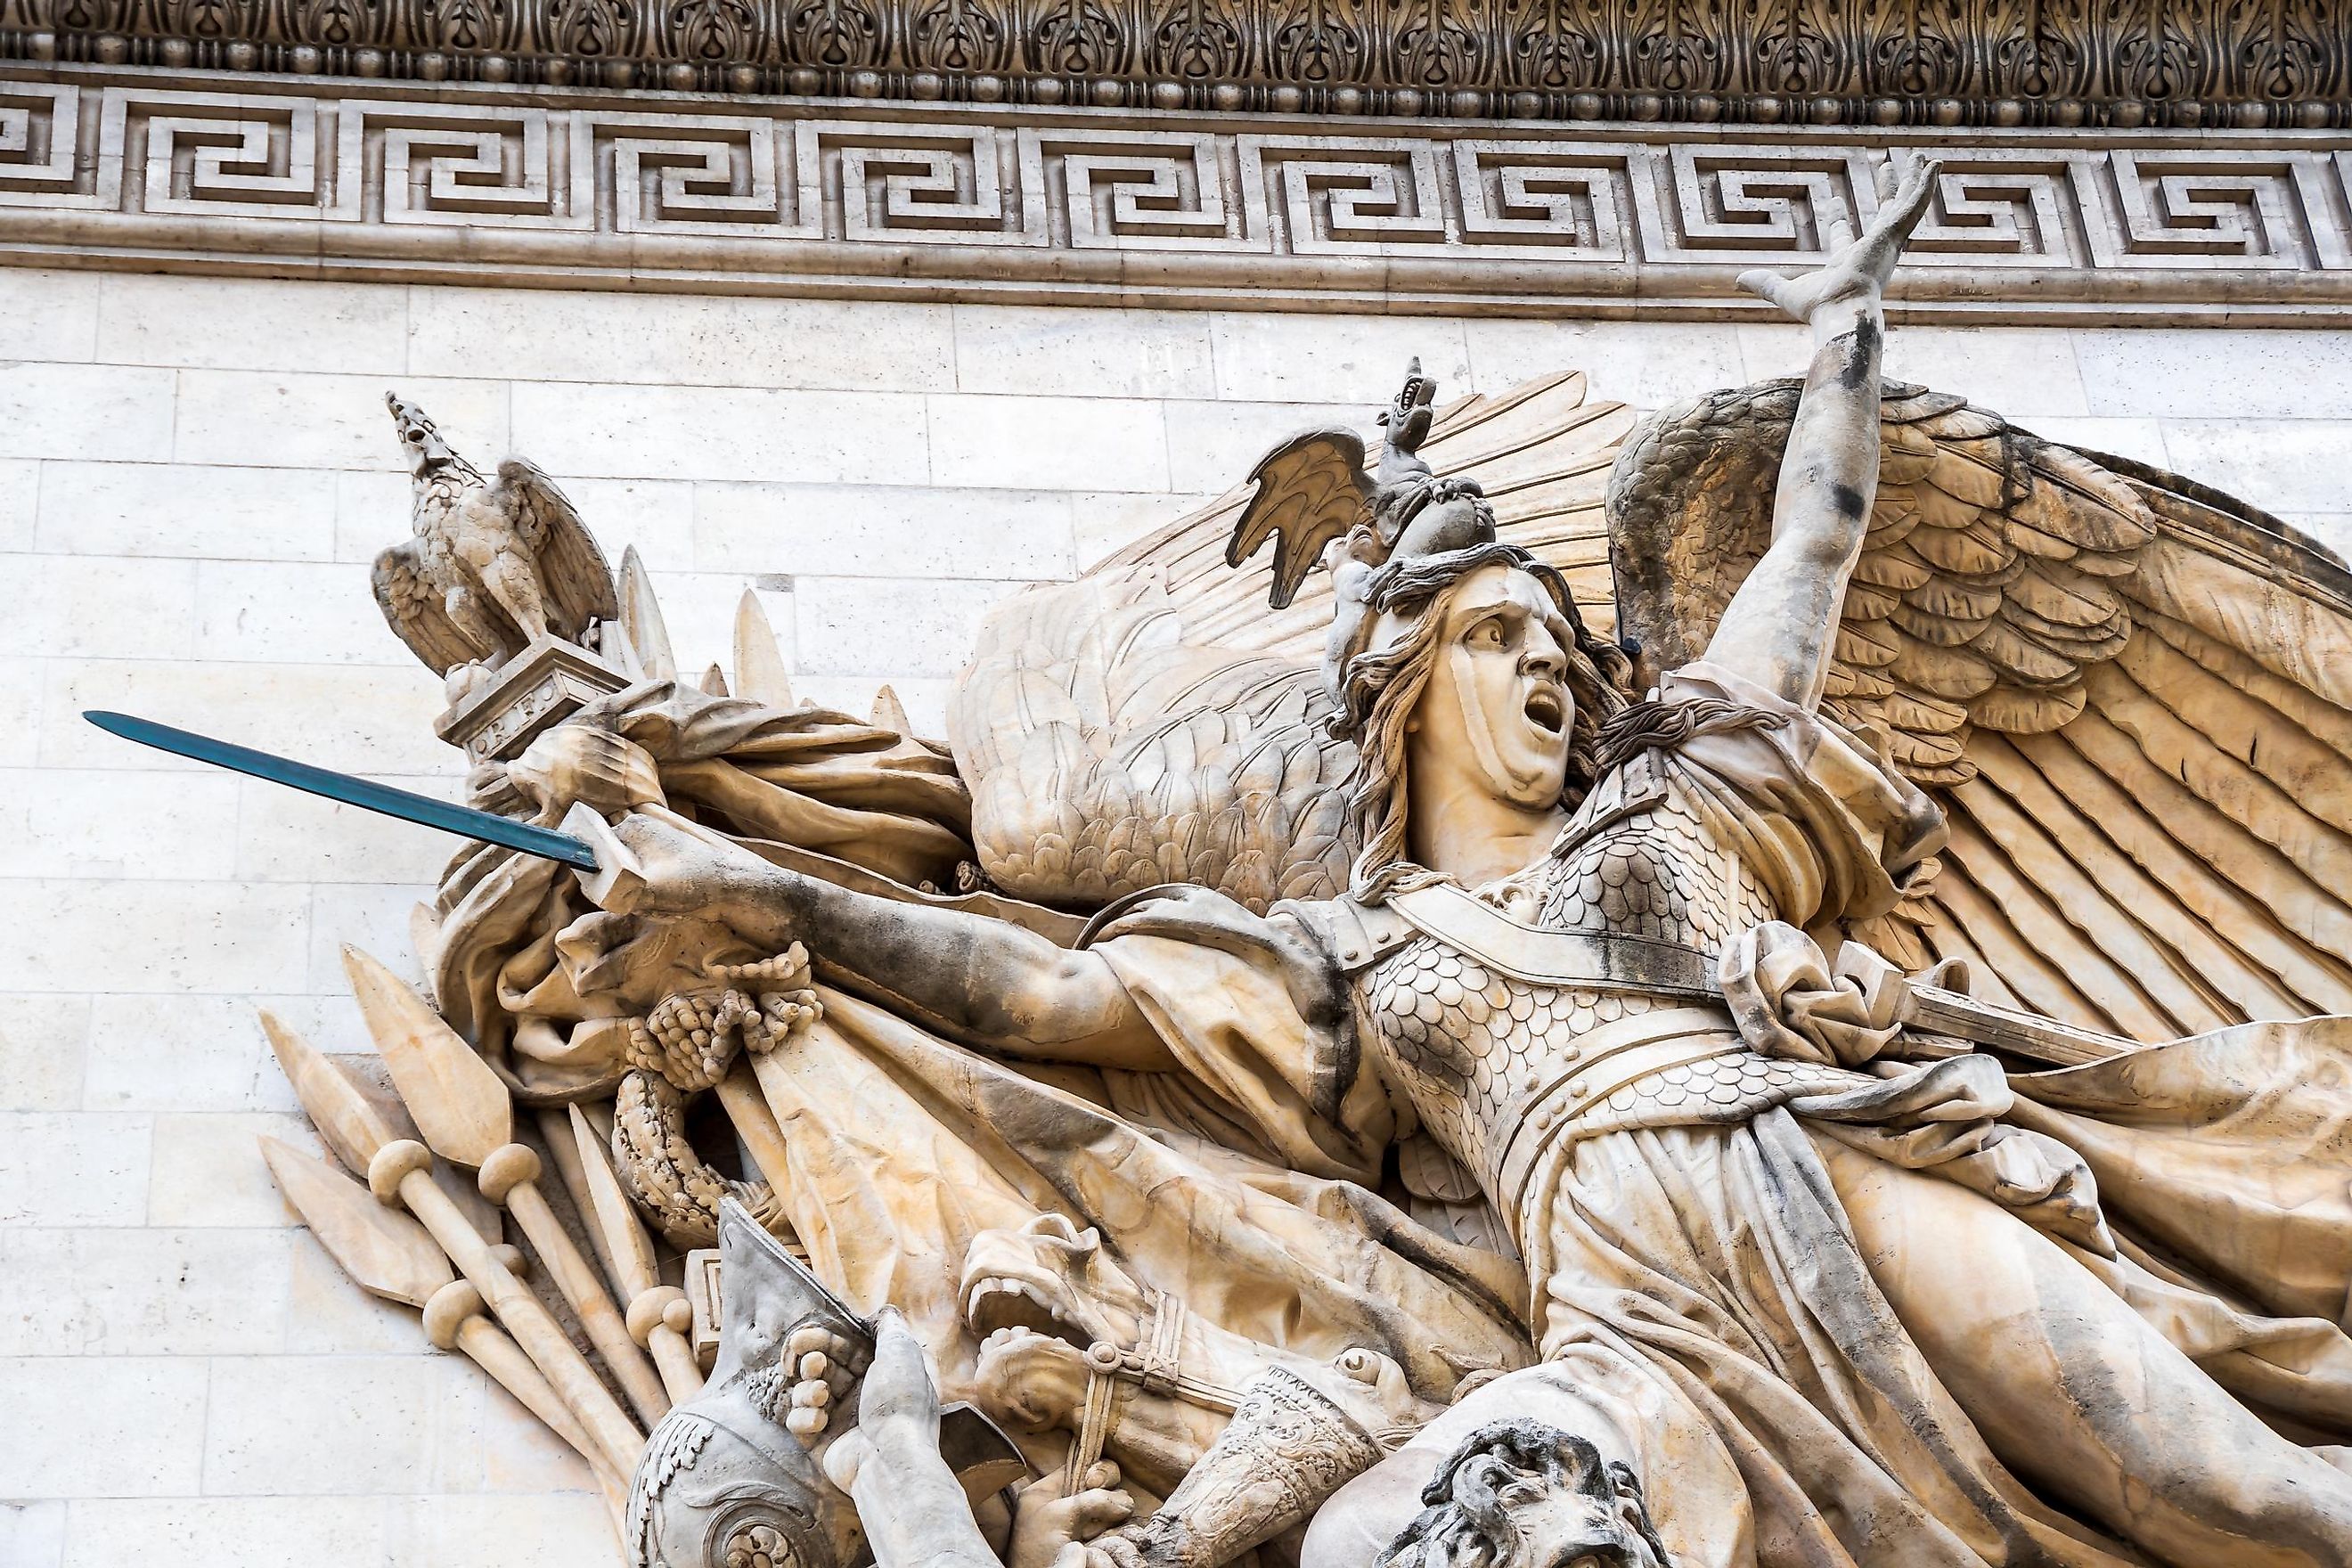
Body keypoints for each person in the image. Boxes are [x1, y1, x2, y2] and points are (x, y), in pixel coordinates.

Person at [571, 159, 2352, 1565]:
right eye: (1504, 638)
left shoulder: (1684, 809)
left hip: (1836, 1186)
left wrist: (1846, 340)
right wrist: (765, 897)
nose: (1549, 670)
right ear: (1407, 683)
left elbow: (1807, 559)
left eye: (1563, 651)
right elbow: (1054, 988)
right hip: (1624, 1322)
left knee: (2228, 1492)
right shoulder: (1351, 959)